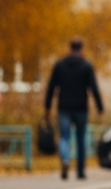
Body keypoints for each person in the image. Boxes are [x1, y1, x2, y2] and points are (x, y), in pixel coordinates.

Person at [44, 37, 104, 180]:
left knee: (64, 137)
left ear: (70, 48)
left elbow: (51, 87)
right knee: (81, 138)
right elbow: (93, 88)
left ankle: (65, 159)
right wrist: (100, 107)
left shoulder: (60, 65)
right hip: (81, 108)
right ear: (82, 48)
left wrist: (47, 107)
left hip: (64, 107)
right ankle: (80, 171)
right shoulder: (86, 65)